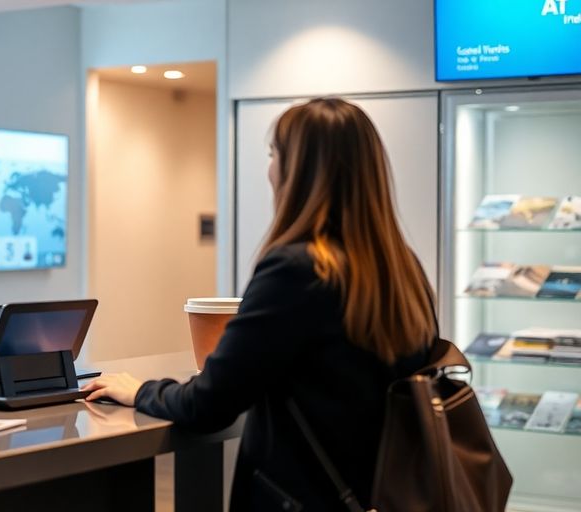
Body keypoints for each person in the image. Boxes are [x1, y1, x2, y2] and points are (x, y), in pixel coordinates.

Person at [82, 98, 436, 510]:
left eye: (274, 154)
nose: (269, 169)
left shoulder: (296, 269)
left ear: (298, 170)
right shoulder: (401, 269)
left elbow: (209, 404)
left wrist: (141, 389)